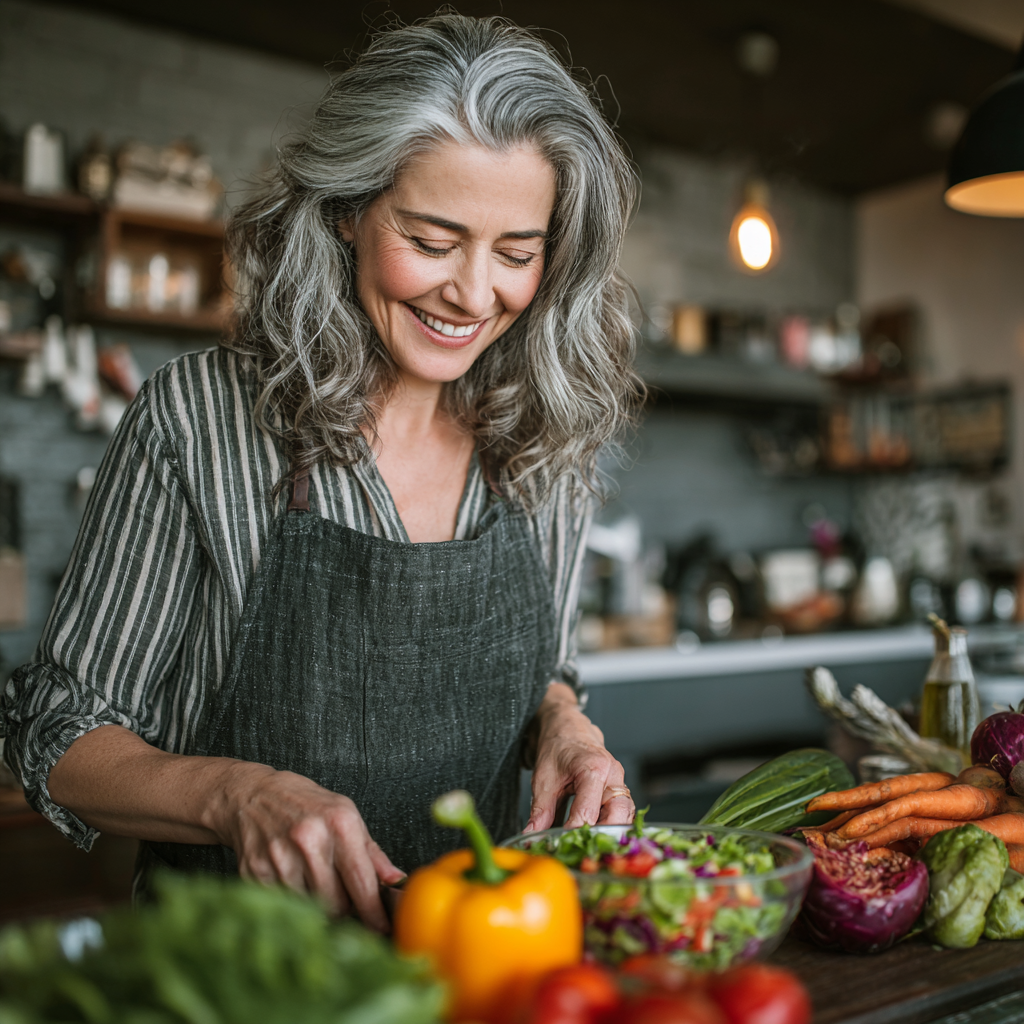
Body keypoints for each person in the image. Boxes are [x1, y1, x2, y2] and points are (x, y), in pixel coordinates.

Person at [0, 14, 642, 932]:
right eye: (430, 239)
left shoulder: (545, 436)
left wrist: (566, 723)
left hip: (492, 965)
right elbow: (55, 732)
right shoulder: (203, 419)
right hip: (240, 974)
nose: (472, 292)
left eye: (516, 253)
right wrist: (237, 797)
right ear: (347, 212)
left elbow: (547, 670)